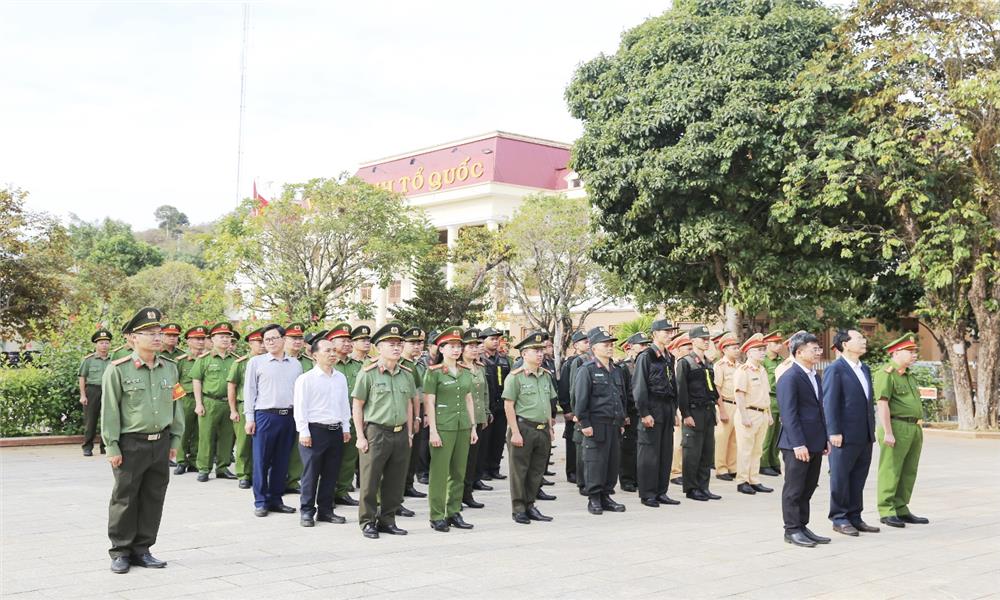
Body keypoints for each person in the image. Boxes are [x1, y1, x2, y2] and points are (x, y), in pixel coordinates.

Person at [101, 307, 185, 574]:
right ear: (131, 339)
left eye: (158, 331)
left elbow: (177, 407)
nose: (157, 336)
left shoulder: (170, 369)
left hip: (160, 442)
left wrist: (175, 441)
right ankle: (121, 551)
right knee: (125, 498)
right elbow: (110, 411)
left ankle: (143, 549)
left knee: (153, 496)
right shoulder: (117, 370)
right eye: (149, 332)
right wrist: (112, 445)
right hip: (130, 444)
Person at [352, 322, 416, 539]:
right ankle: (368, 521)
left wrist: (409, 433)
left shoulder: (406, 373)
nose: (397, 348)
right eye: (391, 344)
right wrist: (360, 436)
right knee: (370, 481)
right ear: (379, 347)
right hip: (376, 432)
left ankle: (388, 519)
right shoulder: (368, 373)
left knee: (395, 480)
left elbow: (408, 402)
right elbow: (358, 405)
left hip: (400, 432)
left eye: (399, 344)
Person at [823, 328, 879, 535]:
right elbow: (829, 402)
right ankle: (839, 518)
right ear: (845, 344)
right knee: (840, 477)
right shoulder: (835, 369)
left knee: (858, 477)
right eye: (859, 338)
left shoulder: (864, 369)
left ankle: (855, 516)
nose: (864, 341)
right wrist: (833, 431)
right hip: (843, 435)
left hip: (864, 434)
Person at [777, 331, 831, 548]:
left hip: (815, 441)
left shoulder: (814, 375)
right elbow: (789, 414)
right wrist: (798, 443)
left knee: (808, 487)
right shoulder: (789, 377)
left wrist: (824, 438)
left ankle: (802, 525)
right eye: (814, 349)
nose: (818, 352)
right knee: (794, 488)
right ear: (799, 352)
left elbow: (819, 409)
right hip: (796, 443)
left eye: (818, 348)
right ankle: (791, 529)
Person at [244, 324, 303, 517]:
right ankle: (261, 501)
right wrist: (249, 418)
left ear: (283, 339)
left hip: (288, 417)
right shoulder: (256, 362)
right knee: (261, 460)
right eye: (266, 340)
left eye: (273, 338)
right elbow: (250, 391)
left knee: (282, 461)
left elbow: (299, 394)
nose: (269, 342)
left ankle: (276, 499)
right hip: (265, 416)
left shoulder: (295, 364)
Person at [294, 332, 352, 527]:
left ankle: (326, 511)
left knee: (331, 473)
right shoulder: (306, 379)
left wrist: (346, 427)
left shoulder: (340, 378)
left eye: (334, 350)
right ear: (315, 355)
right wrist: (304, 431)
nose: (332, 354)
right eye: (328, 350)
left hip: (335, 430)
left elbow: (344, 405)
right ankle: (307, 511)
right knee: (311, 474)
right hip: (314, 431)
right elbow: (300, 407)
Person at [423, 327, 478, 532]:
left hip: (462, 425)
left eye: (458, 346)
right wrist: (433, 431)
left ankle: (453, 511)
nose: (456, 350)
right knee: (439, 472)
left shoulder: (465, 371)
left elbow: (469, 399)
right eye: (451, 346)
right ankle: (437, 515)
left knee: (458, 471)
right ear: (442, 349)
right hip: (443, 427)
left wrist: (473, 427)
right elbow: (429, 402)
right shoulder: (434, 372)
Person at [874, 333, 929, 529]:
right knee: (891, 469)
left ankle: (901, 507)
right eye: (910, 351)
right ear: (896, 353)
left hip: (913, 427)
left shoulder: (908, 375)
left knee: (908, 470)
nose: (914, 355)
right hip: (895, 427)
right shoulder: (886, 373)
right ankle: (887, 509)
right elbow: (882, 404)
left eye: (915, 351)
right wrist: (888, 432)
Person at [504, 331, 557, 525]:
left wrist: (550, 428)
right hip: (523, 428)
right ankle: (518, 508)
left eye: (542, 350)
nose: (540, 353)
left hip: (542, 429)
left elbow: (548, 404)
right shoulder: (515, 377)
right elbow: (508, 406)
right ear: (524, 354)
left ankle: (530, 504)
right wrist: (515, 432)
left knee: (537, 471)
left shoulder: (545, 376)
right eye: (535, 350)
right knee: (520, 471)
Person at [575, 327, 628, 515]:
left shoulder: (616, 370)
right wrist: (585, 423)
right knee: (595, 461)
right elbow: (580, 400)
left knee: (611, 462)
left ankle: (606, 495)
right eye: (605, 345)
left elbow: (621, 398)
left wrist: (621, 421)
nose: (610, 347)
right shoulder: (587, 370)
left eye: (611, 344)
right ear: (594, 348)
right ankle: (594, 497)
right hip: (596, 424)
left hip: (613, 424)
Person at [632, 320, 681, 508]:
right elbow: (639, 386)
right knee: (649, 454)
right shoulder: (647, 356)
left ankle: (662, 491)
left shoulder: (669, 356)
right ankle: (648, 494)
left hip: (667, 409)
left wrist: (675, 410)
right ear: (655, 334)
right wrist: (644, 412)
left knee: (665, 453)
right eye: (665, 331)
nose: (669, 334)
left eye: (671, 332)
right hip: (652, 408)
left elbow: (672, 385)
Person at [676, 325, 721, 501]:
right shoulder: (685, 362)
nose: (706, 341)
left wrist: (715, 409)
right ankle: (691, 488)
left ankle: (704, 487)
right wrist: (686, 414)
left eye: (707, 338)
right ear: (693, 341)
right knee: (692, 453)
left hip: (708, 411)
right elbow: (681, 391)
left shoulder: (708, 362)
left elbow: (712, 388)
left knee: (706, 452)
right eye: (703, 338)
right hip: (694, 412)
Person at [192, 322, 239, 482]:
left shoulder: (236, 360)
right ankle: (204, 468)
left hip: (229, 403)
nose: (225, 340)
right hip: (210, 401)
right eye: (221, 337)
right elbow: (197, 380)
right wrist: (198, 403)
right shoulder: (204, 359)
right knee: (206, 436)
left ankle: (222, 467)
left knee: (227, 436)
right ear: (212, 339)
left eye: (228, 337)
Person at [326, 323, 363, 508]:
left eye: (350, 340)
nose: (348, 343)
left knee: (349, 457)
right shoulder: (327, 365)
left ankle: (342, 491)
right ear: (331, 342)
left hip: (353, 417)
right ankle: (327, 493)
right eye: (343, 340)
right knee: (330, 458)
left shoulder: (360, 365)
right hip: (331, 418)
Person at [732, 334, 774, 495]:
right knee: (745, 449)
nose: (763, 352)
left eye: (763, 349)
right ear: (749, 352)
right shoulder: (743, 371)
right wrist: (744, 416)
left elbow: (765, 394)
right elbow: (740, 395)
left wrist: (768, 414)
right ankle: (742, 480)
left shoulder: (762, 370)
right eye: (759, 350)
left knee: (757, 449)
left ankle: (754, 479)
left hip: (762, 413)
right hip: (748, 412)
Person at [227, 327, 264, 489]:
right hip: (243, 406)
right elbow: (232, 386)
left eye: (264, 341)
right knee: (243, 443)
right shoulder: (241, 363)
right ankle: (243, 474)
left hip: (264, 408)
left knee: (262, 444)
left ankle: (259, 474)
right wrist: (233, 409)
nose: (262, 345)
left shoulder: (270, 362)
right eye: (259, 341)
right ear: (250, 343)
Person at [460, 328, 489, 509]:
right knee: (459, 460)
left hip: (477, 418)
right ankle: (455, 495)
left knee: (472, 459)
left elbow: (484, 392)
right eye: (470, 346)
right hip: (461, 419)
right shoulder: (456, 368)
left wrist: (485, 413)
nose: (474, 349)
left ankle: (467, 493)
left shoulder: (480, 368)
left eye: (476, 345)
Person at [617, 332, 650, 493]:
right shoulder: (623, 367)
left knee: (641, 447)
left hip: (643, 411)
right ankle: (627, 479)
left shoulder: (647, 363)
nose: (645, 348)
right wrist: (624, 415)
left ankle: (638, 477)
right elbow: (621, 392)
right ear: (631, 347)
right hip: (630, 412)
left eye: (646, 345)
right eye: (641, 345)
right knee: (628, 447)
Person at [479, 327, 512, 481]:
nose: (495, 341)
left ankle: (495, 467)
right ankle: (483, 469)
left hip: (502, 404)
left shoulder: (504, 359)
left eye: (497, 339)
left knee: (499, 438)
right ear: (483, 340)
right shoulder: (479, 360)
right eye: (492, 339)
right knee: (486, 439)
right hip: (487, 405)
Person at [557, 331, 590, 485]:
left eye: (588, 341)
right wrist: (567, 409)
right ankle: (572, 472)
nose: (587, 344)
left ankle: (583, 472)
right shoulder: (570, 363)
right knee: (572, 441)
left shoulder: (590, 361)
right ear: (576, 345)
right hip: (573, 409)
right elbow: (564, 387)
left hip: (585, 409)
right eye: (584, 342)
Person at [174, 326, 207, 475]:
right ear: (188, 341)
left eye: (203, 338)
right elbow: (174, 381)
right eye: (197, 339)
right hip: (185, 399)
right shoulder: (181, 360)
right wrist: (180, 399)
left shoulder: (207, 359)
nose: (201, 341)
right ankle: (181, 461)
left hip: (204, 398)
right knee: (184, 431)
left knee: (200, 432)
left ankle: (194, 461)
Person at [283, 322, 310, 494]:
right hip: (280, 410)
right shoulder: (274, 358)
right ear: (284, 339)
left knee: (297, 448)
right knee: (279, 447)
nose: (297, 341)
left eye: (300, 338)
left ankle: (293, 481)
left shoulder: (309, 362)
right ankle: (277, 480)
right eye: (293, 338)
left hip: (301, 411)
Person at [401, 327, 428, 502]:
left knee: (413, 452)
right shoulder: (400, 364)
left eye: (419, 343)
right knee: (402, 456)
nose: (417, 346)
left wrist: (421, 415)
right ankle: (399, 490)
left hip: (416, 412)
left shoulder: (416, 364)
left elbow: (419, 392)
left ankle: (408, 485)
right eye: (413, 343)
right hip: (401, 414)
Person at [79, 328, 113, 456]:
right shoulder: (89, 360)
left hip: (109, 390)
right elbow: (82, 376)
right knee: (90, 421)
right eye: (101, 343)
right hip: (93, 390)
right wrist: (83, 395)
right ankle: (87, 447)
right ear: (96, 344)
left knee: (108, 419)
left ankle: (105, 446)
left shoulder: (113, 359)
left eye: (106, 342)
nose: (104, 345)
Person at [713, 334, 741, 481]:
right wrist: (722, 409)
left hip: (739, 405)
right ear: (724, 349)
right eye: (734, 348)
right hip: (726, 404)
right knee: (722, 438)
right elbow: (717, 389)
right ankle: (721, 468)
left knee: (735, 439)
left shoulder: (740, 366)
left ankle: (732, 467)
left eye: (738, 347)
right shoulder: (719, 366)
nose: (737, 350)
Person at [759, 331, 785, 476]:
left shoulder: (781, 360)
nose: (779, 346)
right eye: (776, 343)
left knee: (777, 434)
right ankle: (763, 464)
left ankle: (774, 461)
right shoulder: (764, 361)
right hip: (768, 399)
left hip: (780, 400)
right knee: (767, 435)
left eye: (780, 343)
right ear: (767, 344)